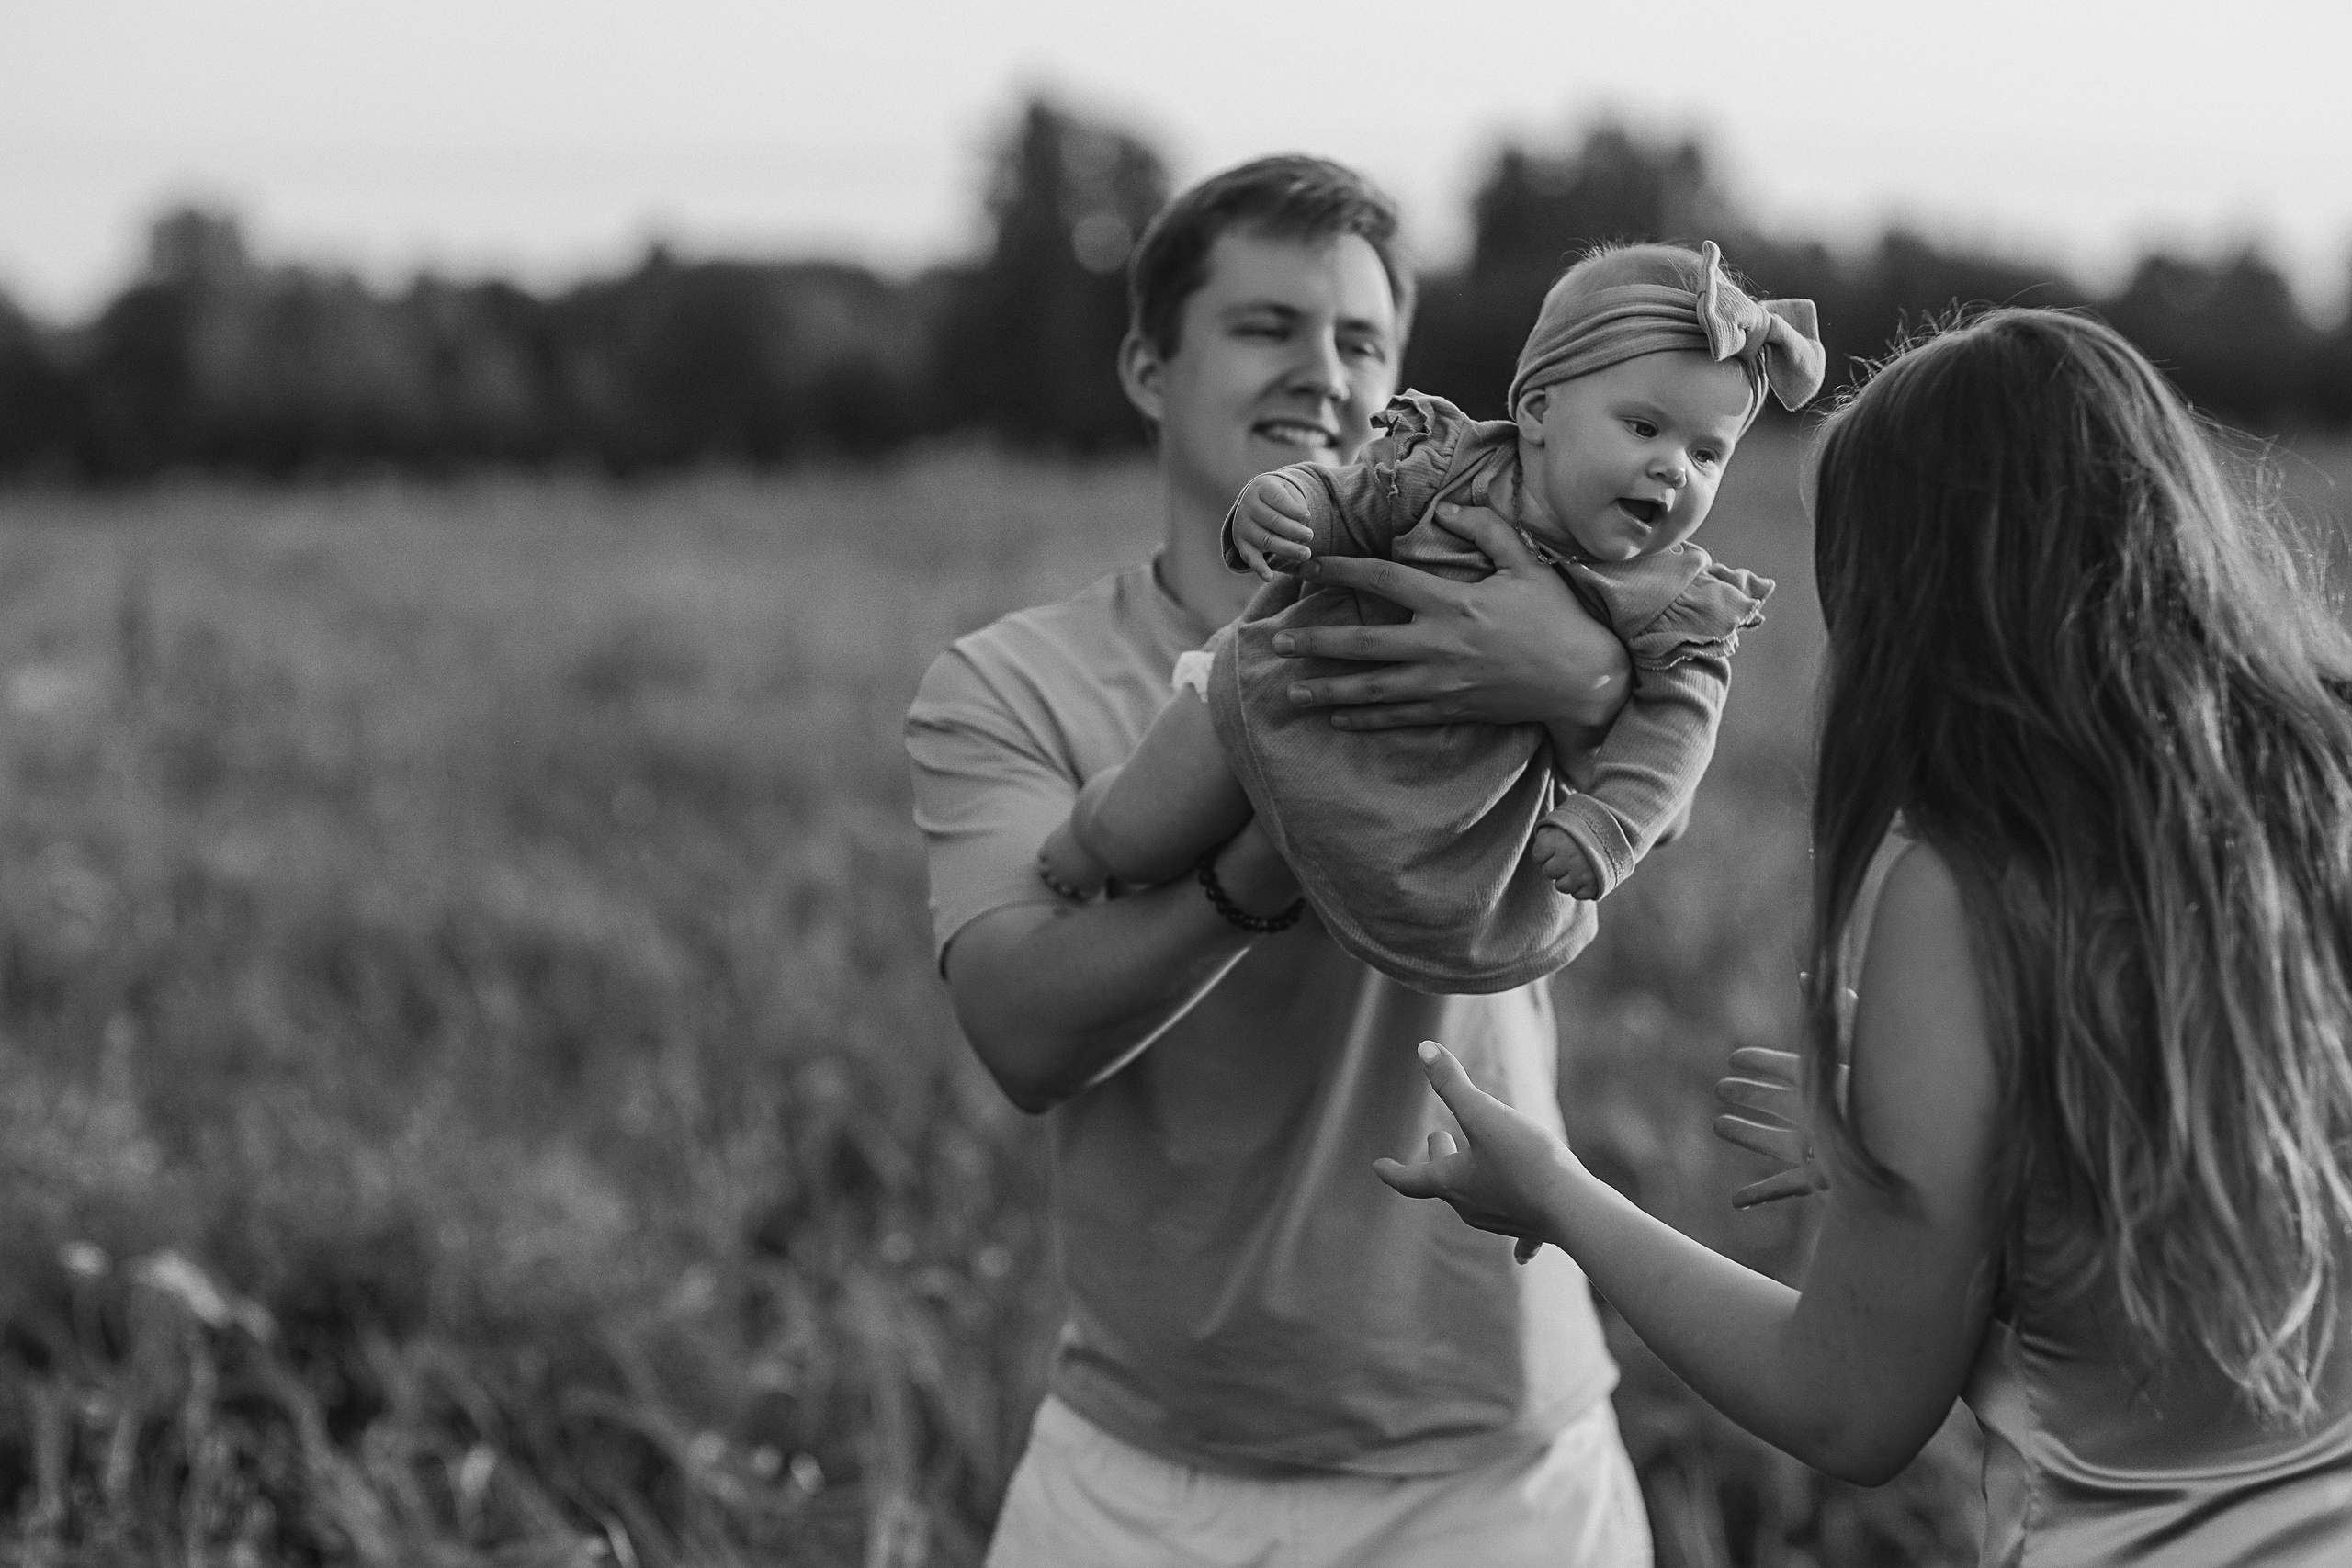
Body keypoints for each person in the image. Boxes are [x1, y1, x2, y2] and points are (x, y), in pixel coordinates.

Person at [1377, 308, 2352, 1564]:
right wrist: (1932, 1166)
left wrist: (1558, 1194)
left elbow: (1847, 1402)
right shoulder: (2318, 776)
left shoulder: (1970, 883)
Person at [906, 155, 1655, 1564]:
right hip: (1150, 1475)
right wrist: (1274, 835)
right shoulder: (1010, 680)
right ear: (1150, 368)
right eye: (1267, 326)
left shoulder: (1544, 609)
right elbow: (1020, 1029)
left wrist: (1589, 682)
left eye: (1363, 339)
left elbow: (1647, 802)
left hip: (1501, 1469)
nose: (1325, 371)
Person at [1036, 242, 1819, 993]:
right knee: (1134, 833)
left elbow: (1680, 732)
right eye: (1644, 427)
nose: (1674, 468)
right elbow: (1351, 499)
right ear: (1538, 409)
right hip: (1273, 693)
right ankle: (1081, 838)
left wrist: (1610, 824)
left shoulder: (1673, 598)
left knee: (1439, 917)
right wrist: (1288, 503)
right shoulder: (1451, 466)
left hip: (1426, 805)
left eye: (1708, 454)